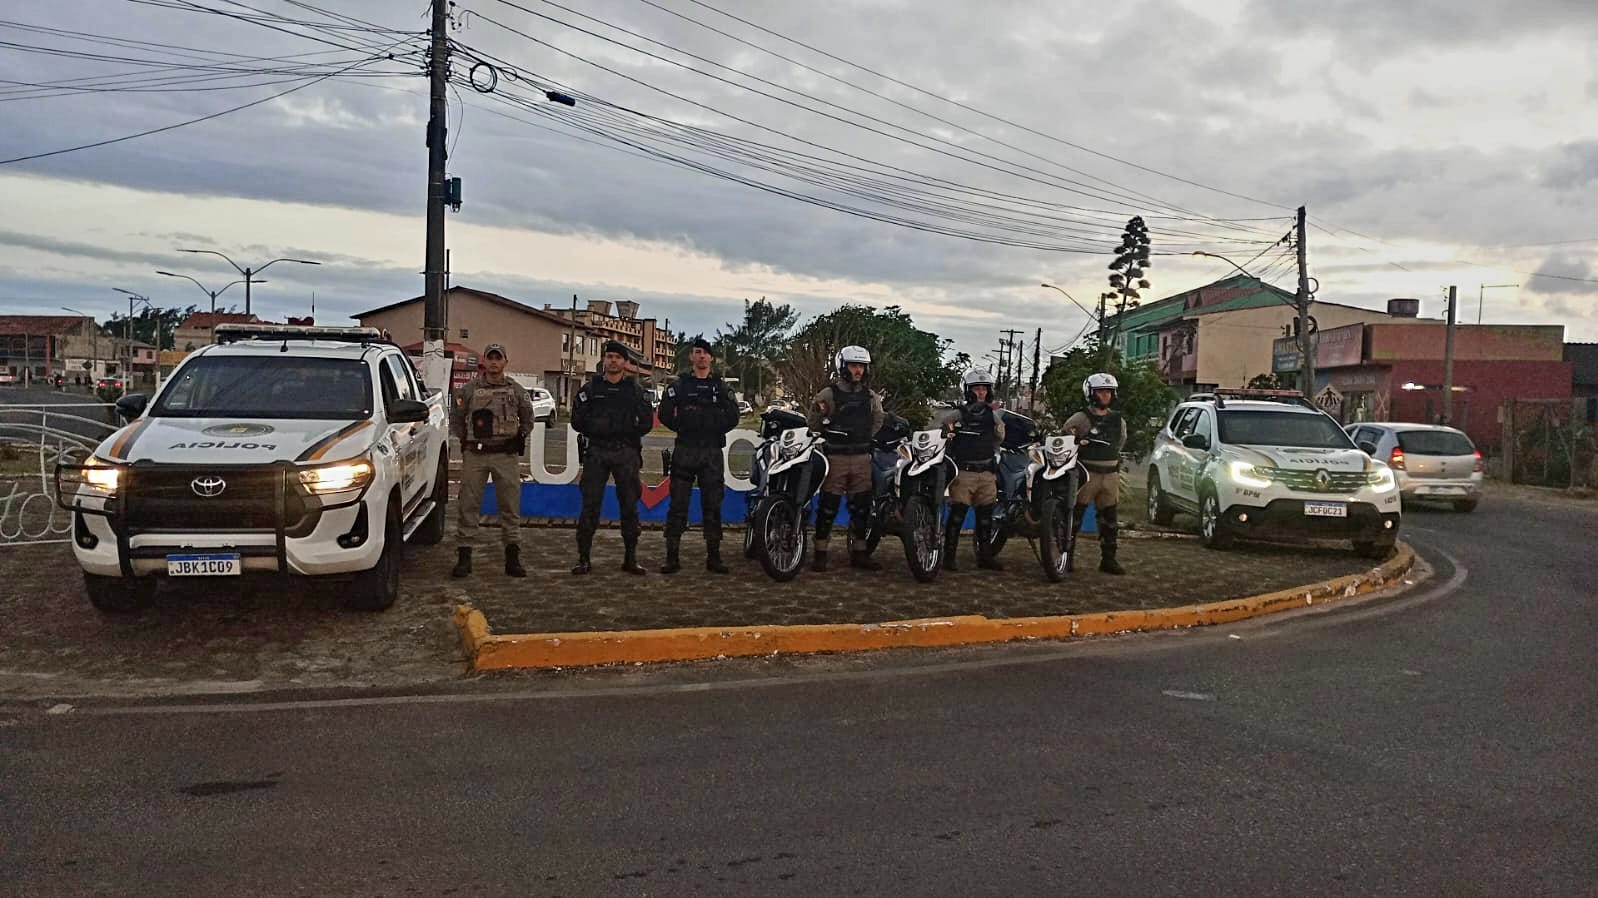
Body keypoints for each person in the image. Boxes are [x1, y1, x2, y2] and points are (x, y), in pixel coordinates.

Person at [450, 343, 537, 578]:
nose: (494, 362)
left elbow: (528, 418)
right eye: (490, 358)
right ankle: (464, 557)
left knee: (510, 506)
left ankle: (512, 557)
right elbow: (456, 419)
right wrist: (466, 441)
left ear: (505, 362)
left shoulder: (516, 390)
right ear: (484, 362)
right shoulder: (468, 390)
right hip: (475, 455)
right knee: (468, 504)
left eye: (499, 358)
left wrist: (518, 438)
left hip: (505, 456)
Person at [571, 341, 655, 575]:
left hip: (625, 452)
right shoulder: (591, 389)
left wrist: (627, 434)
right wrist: (598, 428)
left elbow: (647, 420)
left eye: (618, 357)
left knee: (629, 506)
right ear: (604, 360)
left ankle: (630, 558)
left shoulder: (634, 390)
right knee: (590, 505)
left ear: (625, 363)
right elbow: (577, 420)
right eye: (609, 357)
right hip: (597, 451)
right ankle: (584, 559)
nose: (614, 361)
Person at [657, 337, 740, 575]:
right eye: (697, 352)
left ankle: (714, 557)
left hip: (711, 452)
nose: (701, 356)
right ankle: (672, 557)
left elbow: (733, 415)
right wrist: (683, 426)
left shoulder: (721, 386)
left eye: (705, 353)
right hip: (686, 449)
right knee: (678, 505)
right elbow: (664, 413)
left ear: (711, 358)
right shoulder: (680, 385)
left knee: (713, 505)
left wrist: (714, 427)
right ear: (691, 357)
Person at [808, 345, 884, 572]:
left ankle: (860, 552)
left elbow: (878, 420)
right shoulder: (828, 395)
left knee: (861, 508)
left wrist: (863, 439)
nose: (858, 370)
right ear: (843, 366)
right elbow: (814, 422)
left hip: (862, 458)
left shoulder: (871, 397)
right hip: (836, 458)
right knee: (828, 506)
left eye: (861, 366)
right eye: (853, 365)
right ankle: (820, 553)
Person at [1063, 372, 1129, 575]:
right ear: (1091, 394)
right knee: (1074, 519)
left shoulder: (1118, 420)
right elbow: (1065, 440)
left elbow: (1121, 441)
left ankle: (1109, 559)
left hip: (1110, 475)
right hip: (1086, 473)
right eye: (1101, 392)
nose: (1106, 396)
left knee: (1109, 520)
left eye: (1109, 392)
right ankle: (1067, 558)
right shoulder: (1080, 419)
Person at [942, 369, 1005, 571]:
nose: (980, 393)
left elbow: (999, 439)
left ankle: (985, 556)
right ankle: (949, 557)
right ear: (968, 390)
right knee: (957, 515)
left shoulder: (993, 416)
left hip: (986, 472)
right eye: (976, 389)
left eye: (984, 389)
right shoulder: (956, 415)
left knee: (986, 517)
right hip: (964, 472)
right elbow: (944, 435)